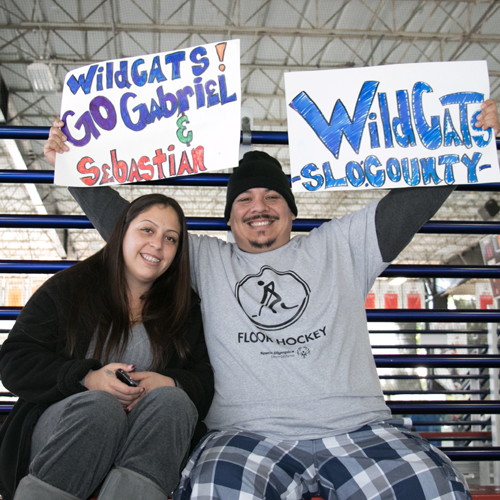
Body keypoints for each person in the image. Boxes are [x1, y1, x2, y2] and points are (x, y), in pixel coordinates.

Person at [44, 99, 500, 499]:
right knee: (212, 492)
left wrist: (474, 138)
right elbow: (127, 229)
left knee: (430, 489)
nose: (257, 206)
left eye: (270, 196)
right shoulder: (204, 260)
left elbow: (411, 204)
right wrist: (73, 169)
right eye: (243, 199)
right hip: (243, 436)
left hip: (360, 428)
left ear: (289, 208)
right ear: (229, 218)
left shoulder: (341, 245)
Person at [0, 194, 214, 500]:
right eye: (147, 230)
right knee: (102, 407)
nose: (157, 245)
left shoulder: (185, 307)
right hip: (63, 436)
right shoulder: (69, 288)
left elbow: (204, 380)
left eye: (171, 238)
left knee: (174, 401)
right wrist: (87, 379)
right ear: (122, 231)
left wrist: (172, 381)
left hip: (141, 447)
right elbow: (14, 361)